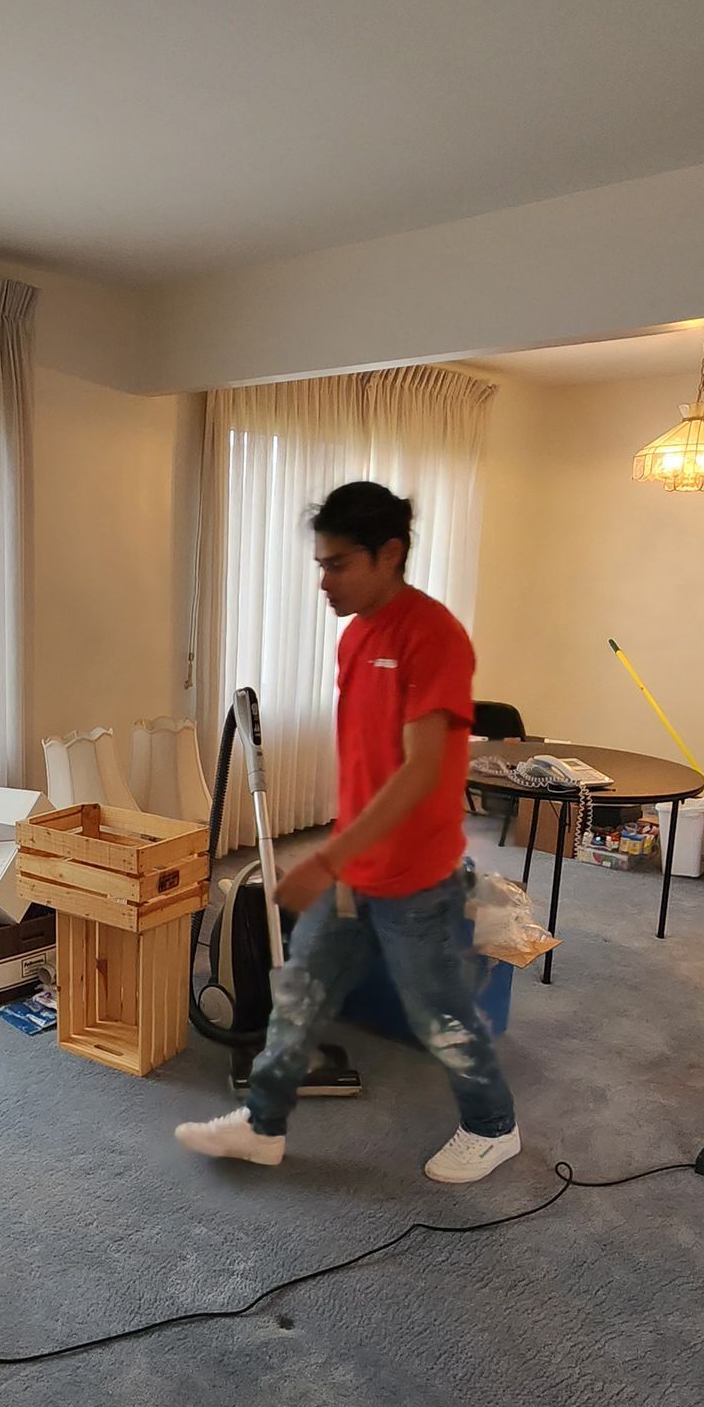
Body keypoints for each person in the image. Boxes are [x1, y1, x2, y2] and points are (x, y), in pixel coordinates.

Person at [173, 480, 519, 1184]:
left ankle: (494, 1126)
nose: (323, 581)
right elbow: (369, 759)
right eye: (320, 564)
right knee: (298, 995)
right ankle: (263, 1126)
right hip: (354, 867)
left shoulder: (434, 636)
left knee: (439, 1019)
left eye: (337, 565)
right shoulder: (357, 633)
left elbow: (423, 771)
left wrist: (327, 858)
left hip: (415, 879)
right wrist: (341, 851)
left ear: (388, 553)